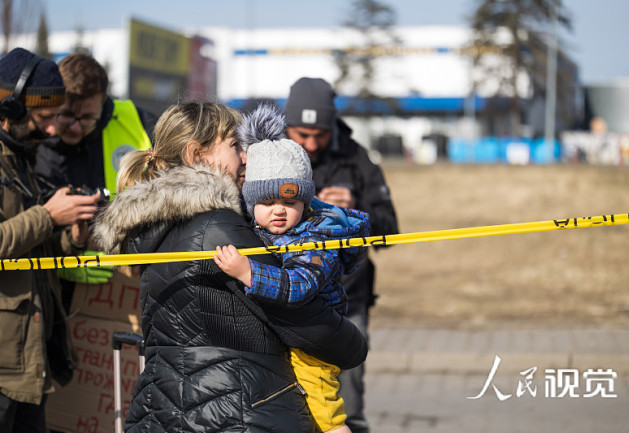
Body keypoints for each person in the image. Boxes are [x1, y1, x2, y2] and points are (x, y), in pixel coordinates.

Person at [92, 101, 367, 432]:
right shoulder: (219, 227)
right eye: (235, 145)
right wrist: (354, 342)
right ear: (197, 155)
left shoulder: (154, 226)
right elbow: (305, 323)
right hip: (236, 410)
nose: (245, 157)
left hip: (165, 409)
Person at [214, 105, 370, 433]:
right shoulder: (258, 228)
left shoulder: (318, 237)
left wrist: (248, 273)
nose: (279, 212)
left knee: (322, 404)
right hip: (288, 337)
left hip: (313, 342)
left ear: (306, 203)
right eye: (267, 204)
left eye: (290, 203)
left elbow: (298, 286)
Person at [285, 77, 400, 433]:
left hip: (349, 300)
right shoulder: (272, 155)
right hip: (287, 300)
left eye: (318, 134)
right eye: (301, 135)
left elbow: (390, 228)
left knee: (347, 408)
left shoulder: (356, 158)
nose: (310, 143)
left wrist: (355, 210)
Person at [0, 47, 101, 433]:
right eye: (44, 118)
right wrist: (47, 216)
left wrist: (72, 235)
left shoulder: (21, 157)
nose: (54, 130)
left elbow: (29, 248)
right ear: (10, 109)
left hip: (29, 359)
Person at [33, 53, 157, 290]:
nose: (75, 127)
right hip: (55, 288)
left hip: (124, 287)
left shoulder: (138, 122)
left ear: (103, 104)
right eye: (66, 115)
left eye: (87, 118)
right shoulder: (34, 137)